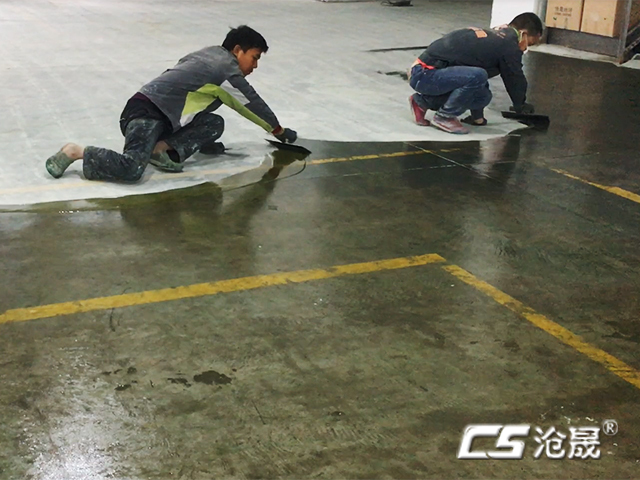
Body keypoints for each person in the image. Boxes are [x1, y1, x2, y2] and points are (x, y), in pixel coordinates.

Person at [45, 25, 298, 181]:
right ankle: (75, 152)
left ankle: (159, 149)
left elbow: (192, 97)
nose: (255, 65)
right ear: (237, 50)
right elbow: (250, 103)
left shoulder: (206, 55)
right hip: (147, 113)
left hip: (164, 116)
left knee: (213, 124)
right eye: (254, 57)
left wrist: (201, 143)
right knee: (132, 168)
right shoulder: (224, 70)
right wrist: (278, 130)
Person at [408, 12, 544, 135]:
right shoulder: (509, 45)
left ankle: (421, 102)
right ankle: (444, 117)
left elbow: (475, 77)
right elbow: (514, 77)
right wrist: (521, 105)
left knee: (483, 96)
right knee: (478, 75)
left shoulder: (497, 37)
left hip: (425, 74)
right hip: (425, 74)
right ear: (524, 34)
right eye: (530, 43)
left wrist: (477, 117)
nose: (526, 49)